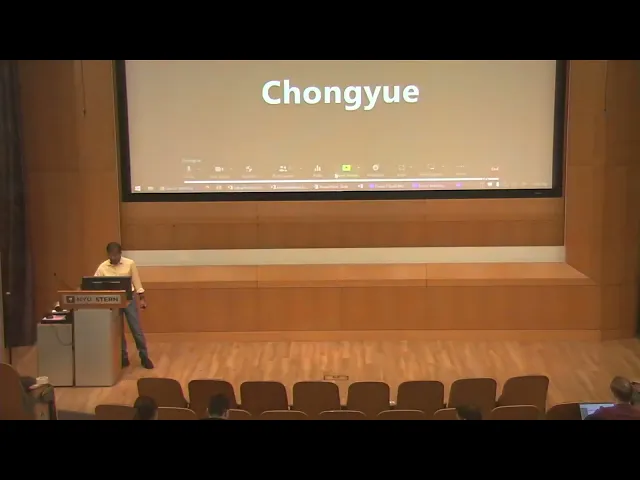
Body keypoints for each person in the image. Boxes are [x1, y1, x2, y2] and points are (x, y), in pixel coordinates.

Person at [94, 242, 154, 369]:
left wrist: (142, 298)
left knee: (136, 329)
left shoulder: (130, 263)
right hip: (112, 301)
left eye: (116, 255)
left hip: (128, 299)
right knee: (118, 331)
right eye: (111, 255)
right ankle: (123, 357)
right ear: (108, 254)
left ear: (120, 254)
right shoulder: (102, 267)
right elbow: (94, 283)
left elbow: (136, 281)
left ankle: (144, 357)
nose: (114, 257)